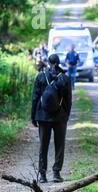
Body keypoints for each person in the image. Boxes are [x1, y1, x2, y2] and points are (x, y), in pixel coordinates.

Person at [31, 54, 72, 183]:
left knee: (43, 145)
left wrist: (33, 116)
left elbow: (35, 98)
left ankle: (42, 175)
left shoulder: (41, 77)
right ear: (59, 63)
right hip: (60, 117)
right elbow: (68, 101)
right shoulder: (65, 79)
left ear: (48, 63)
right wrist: (66, 116)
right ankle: (56, 173)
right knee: (59, 145)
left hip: (42, 117)